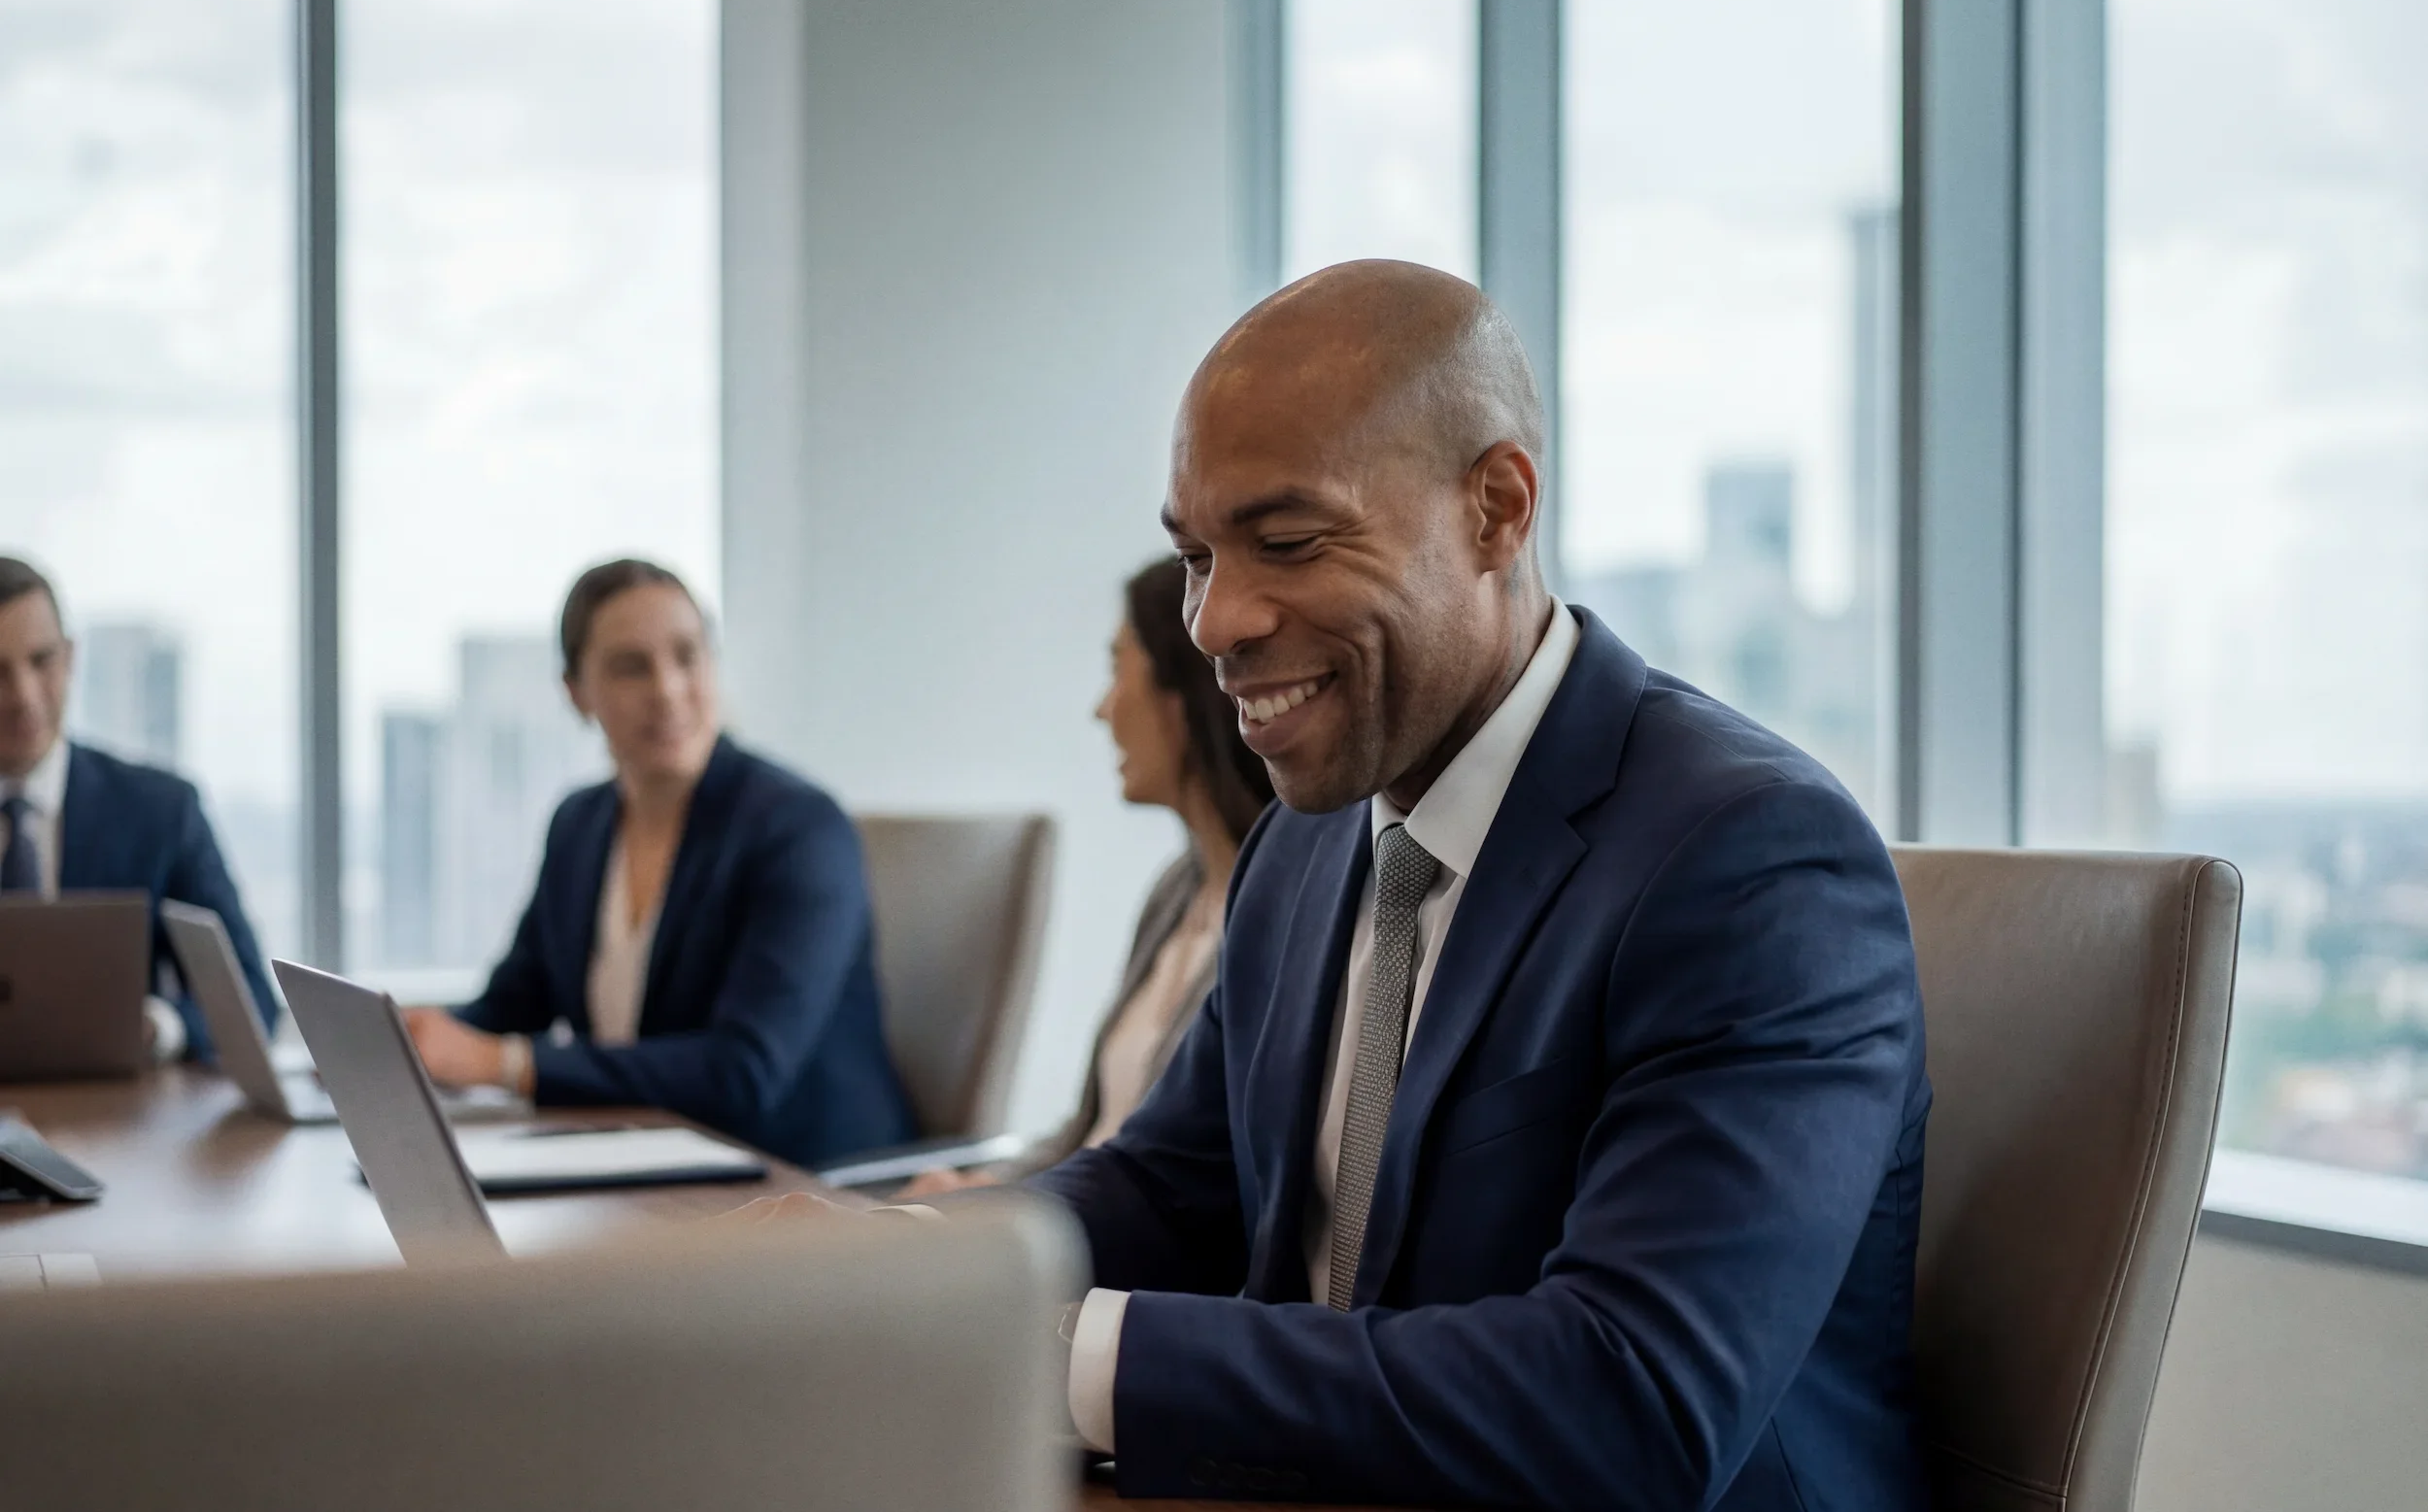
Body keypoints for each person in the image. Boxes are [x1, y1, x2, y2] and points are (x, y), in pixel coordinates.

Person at [1026, 261, 1931, 1511]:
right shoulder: (1306, 845)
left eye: (1284, 541)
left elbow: (1624, 1402)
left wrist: (1053, 1355)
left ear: (1497, 509)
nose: (1216, 621)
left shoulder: (1755, 862)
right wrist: (913, 1278)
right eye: (1195, 557)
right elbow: (1176, 1189)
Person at [402, 558, 915, 1168]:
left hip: (806, 1189)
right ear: (577, 694)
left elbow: (743, 1072)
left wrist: (503, 1064)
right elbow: (514, 1003)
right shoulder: (580, 824)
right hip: (649, 1169)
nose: (667, 690)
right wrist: (399, 1044)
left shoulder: (798, 828)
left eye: (687, 656)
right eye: (629, 667)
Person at [910, 558, 1272, 1196]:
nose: (1103, 711)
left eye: (1117, 669)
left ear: (1181, 697)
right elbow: (1089, 1132)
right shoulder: (1176, 892)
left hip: (1127, 1272)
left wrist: (993, 1219)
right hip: (1082, 1227)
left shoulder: (1283, 916)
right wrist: (976, 1194)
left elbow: (1181, 1189)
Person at [0, 555, 280, 1058]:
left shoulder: (160, 811)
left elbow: (254, 1001)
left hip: (120, 1121)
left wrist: (154, 1026)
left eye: (40, 661)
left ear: (70, 658)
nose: (23, 697)